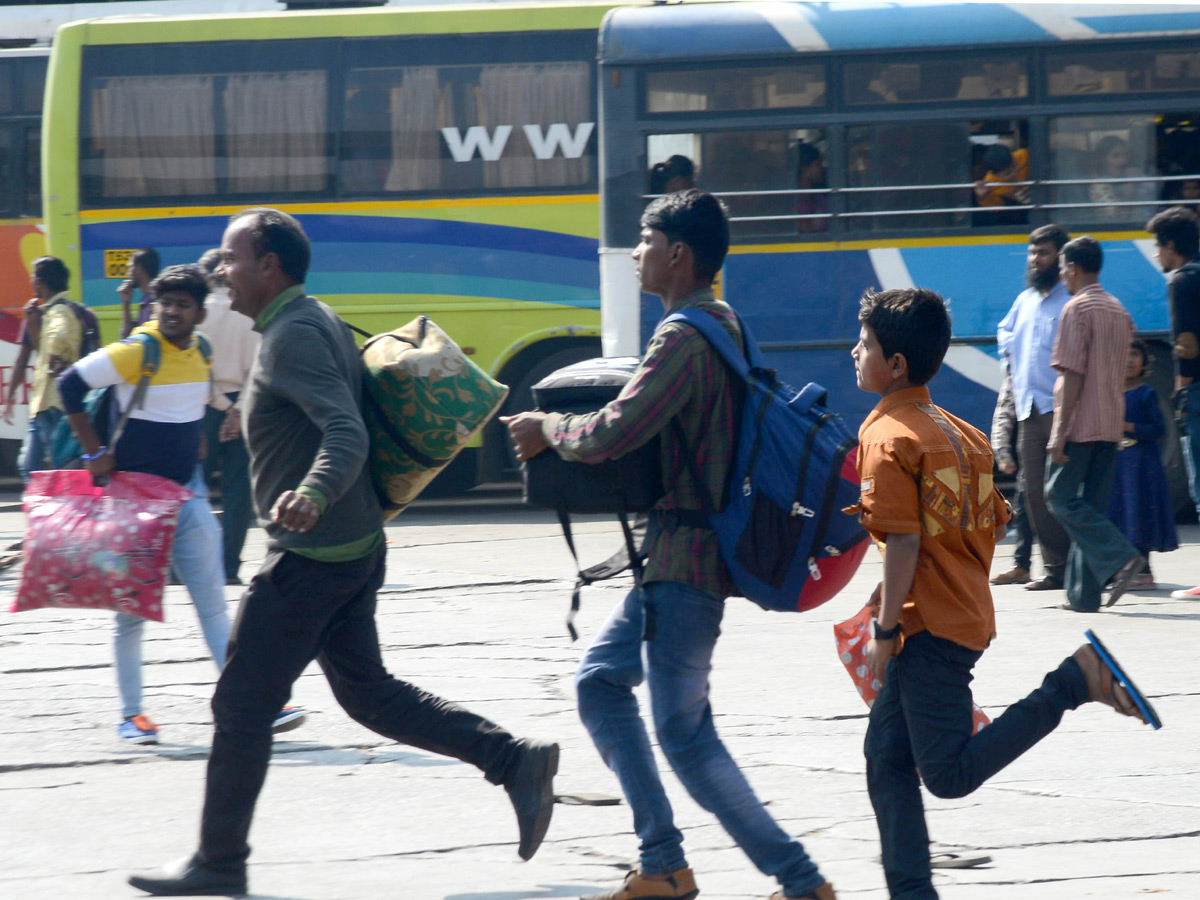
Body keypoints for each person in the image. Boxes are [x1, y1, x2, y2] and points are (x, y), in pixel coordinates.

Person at [127, 208, 558, 897]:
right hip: (351, 545)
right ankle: (512, 759)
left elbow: (345, 432)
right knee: (370, 698)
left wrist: (312, 493)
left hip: (314, 552)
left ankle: (219, 864)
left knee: (241, 706)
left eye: (231, 257)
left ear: (270, 266)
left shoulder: (295, 334)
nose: (220, 269)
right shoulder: (311, 316)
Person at [503, 190, 836, 900]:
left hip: (686, 564)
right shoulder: (725, 324)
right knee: (600, 684)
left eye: (645, 239)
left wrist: (548, 431)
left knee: (685, 736)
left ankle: (797, 879)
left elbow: (614, 430)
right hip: (678, 557)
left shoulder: (684, 337)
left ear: (677, 253)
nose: (635, 253)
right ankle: (661, 859)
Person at [850, 286, 1157, 900]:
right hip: (959, 615)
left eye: (865, 344)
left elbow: (905, 546)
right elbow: (987, 525)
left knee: (949, 775)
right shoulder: (962, 433)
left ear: (897, 365)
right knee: (886, 760)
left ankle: (1074, 680)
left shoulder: (887, 438)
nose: (853, 353)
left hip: (927, 632)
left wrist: (885, 632)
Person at [57, 265, 238, 744]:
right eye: (165, 303)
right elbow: (69, 385)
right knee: (131, 615)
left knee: (214, 605)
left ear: (200, 313)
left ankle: (244, 703)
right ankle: (132, 714)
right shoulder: (138, 349)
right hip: (134, 501)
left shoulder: (201, 350)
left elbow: (186, 405)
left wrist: (196, 438)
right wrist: (95, 452)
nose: (172, 312)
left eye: (182, 304)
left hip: (189, 492)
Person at [1045, 236, 1144, 612]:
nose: (1063, 279)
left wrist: (1058, 433)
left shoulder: (1077, 309)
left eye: (1063, 271)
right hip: (1110, 423)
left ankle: (1121, 556)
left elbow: (1071, 375)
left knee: (1059, 497)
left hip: (1080, 424)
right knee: (1092, 508)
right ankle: (1084, 596)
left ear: (1072, 268)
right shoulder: (1119, 310)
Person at [995, 225, 1072, 592]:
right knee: (1037, 499)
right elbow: (1004, 332)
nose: (1036, 260)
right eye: (1032, 253)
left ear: (1060, 257)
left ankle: (1085, 568)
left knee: (1065, 495)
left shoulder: (1069, 300)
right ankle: (1056, 571)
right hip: (1028, 411)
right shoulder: (1025, 300)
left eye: (1043, 253)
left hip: (1059, 410)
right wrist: (1011, 362)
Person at [1144, 205, 1200, 599]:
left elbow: (1186, 345)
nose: (1156, 255)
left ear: (1171, 246)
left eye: (1157, 246)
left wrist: (1182, 392)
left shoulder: (1181, 281)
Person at [197, 247, 258, 585]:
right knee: (239, 493)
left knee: (195, 490)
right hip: (244, 405)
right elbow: (257, 368)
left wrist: (223, 407)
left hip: (205, 407)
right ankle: (229, 566)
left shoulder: (199, 313)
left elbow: (199, 371)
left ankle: (191, 566)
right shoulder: (248, 312)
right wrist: (238, 410)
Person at [1107, 340, 1178, 589]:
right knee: (1119, 514)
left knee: (1139, 513)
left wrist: (1129, 428)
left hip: (1141, 464)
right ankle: (1123, 567)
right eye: (1124, 355)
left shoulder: (1146, 393)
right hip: (1118, 463)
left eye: (1135, 355)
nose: (1129, 360)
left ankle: (1143, 571)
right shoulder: (1109, 394)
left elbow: (1158, 429)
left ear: (1144, 363)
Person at [3, 257, 82, 481]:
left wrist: (57, 354)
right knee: (30, 466)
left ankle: (60, 509)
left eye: (33, 276)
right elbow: (43, 354)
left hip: (54, 405)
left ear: (40, 281)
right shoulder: (43, 313)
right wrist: (34, 325)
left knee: (57, 467)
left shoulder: (60, 312)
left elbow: (59, 337)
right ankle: (46, 509)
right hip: (43, 404)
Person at [988, 365, 1034, 585]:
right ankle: (1022, 565)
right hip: (1031, 451)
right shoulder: (1020, 372)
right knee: (1025, 508)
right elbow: (1004, 413)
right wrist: (1003, 452)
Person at [973, 144, 1030, 225]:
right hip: (1022, 208)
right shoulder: (990, 184)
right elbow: (995, 209)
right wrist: (984, 197)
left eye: (1015, 167)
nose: (1014, 174)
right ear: (994, 175)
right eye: (1007, 173)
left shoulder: (1024, 155)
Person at [118, 247, 160, 338]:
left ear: (139, 268)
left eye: (130, 267)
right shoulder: (145, 300)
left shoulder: (155, 301)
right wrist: (126, 302)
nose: (129, 273)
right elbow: (127, 334)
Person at [795, 142, 829, 234]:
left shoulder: (818, 196)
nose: (822, 169)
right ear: (805, 169)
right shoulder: (796, 201)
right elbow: (806, 233)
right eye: (817, 165)